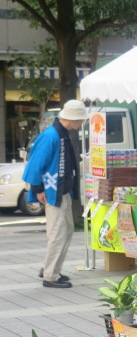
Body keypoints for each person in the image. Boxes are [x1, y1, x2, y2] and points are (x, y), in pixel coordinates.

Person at [22, 100, 89, 288]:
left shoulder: (60, 134)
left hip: (60, 190)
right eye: (81, 119)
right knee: (58, 233)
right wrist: (38, 189)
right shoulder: (52, 136)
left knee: (66, 230)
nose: (82, 123)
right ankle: (50, 275)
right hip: (52, 191)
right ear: (74, 119)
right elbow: (35, 165)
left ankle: (51, 269)